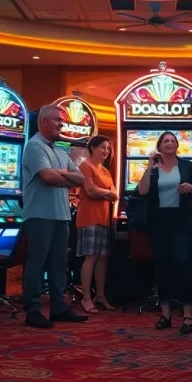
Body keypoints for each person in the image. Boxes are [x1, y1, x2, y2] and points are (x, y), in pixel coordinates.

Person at [21, 104, 88, 329]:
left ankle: (58, 307)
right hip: (39, 214)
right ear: (44, 121)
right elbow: (47, 177)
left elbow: (81, 179)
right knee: (37, 263)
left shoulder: (59, 151)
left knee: (59, 263)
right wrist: (62, 177)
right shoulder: (34, 146)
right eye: (58, 119)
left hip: (61, 214)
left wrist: (60, 174)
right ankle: (33, 310)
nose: (62, 124)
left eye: (62, 120)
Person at [136, 131, 192, 334]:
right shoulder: (154, 169)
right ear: (159, 146)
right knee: (162, 266)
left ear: (177, 145)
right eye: (166, 141)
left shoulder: (187, 166)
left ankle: (188, 315)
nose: (170, 143)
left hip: (181, 220)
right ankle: (165, 314)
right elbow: (142, 191)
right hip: (158, 222)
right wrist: (149, 165)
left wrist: (191, 187)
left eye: (173, 141)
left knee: (181, 263)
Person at [76, 135, 118, 314]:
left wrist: (107, 193)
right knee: (91, 256)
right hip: (89, 217)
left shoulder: (105, 170)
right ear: (93, 148)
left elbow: (115, 193)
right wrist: (107, 193)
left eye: (108, 149)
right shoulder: (86, 166)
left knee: (103, 258)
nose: (106, 151)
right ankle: (86, 298)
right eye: (103, 148)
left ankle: (100, 296)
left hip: (104, 218)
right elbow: (90, 190)